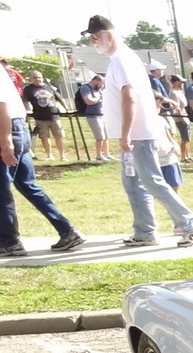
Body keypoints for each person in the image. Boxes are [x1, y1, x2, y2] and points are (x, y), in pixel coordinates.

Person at [82, 15, 193, 248]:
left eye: (95, 37)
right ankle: (145, 231)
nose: (93, 41)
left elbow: (129, 98)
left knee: (152, 181)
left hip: (138, 134)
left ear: (108, 35)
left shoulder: (122, 59)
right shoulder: (118, 59)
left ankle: (190, 224)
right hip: (133, 135)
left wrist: (127, 133)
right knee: (134, 184)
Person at [0, 62, 84, 256]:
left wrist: (6, 142)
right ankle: (67, 230)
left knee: (2, 190)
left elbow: (2, 106)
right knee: (27, 185)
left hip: (8, 129)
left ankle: (9, 242)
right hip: (17, 127)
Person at [22, 71, 66, 160]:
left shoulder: (49, 86)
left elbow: (60, 98)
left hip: (54, 115)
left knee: (59, 136)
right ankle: (49, 155)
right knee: (44, 137)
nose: (37, 79)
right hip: (40, 117)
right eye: (35, 78)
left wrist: (67, 109)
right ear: (31, 79)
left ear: (42, 78)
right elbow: (25, 102)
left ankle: (62, 156)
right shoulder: (28, 89)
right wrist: (25, 112)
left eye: (39, 77)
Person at [80, 74, 111, 160]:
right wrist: (98, 98)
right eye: (101, 83)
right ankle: (99, 155)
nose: (101, 86)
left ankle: (107, 154)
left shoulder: (98, 90)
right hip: (93, 115)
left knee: (105, 136)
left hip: (101, 114)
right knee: (99, 137)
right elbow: (89, 101)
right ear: (95, 81)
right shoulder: (85, 88)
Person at [166, 74, 192, 161]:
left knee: (187, 138)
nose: (182, 84)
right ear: (176, 82)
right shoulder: (173, 93)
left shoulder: (179, 92)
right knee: (184, 137)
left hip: (185, 115)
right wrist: (182, 118)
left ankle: (188, 156)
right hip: (180, 117)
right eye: (181, 82)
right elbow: (176, 107)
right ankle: (183, 157)